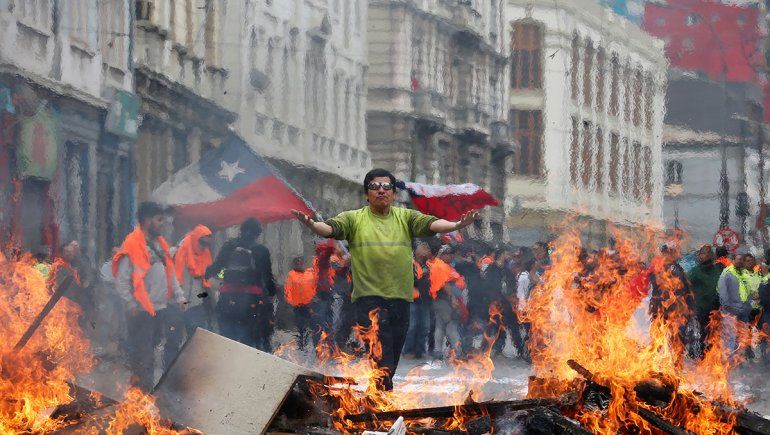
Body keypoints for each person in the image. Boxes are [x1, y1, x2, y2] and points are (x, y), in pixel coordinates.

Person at [292, 168, 480, 390]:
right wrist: (313, 225)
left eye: (386, 187)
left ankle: (379, 396)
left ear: (393, 193)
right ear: (366, 193)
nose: (381, 191)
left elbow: (432, 224)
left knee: (392, 358)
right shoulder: (354, 219)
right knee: (382, 357)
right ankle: (382, 397)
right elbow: (329, 228)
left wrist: (456, 225)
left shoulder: (405, 217)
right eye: (374, 187)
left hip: (401, 299)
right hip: (369, 301)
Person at [113, 202, 188, 391]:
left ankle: (140, 392)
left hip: (159, 308)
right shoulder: (132, 244)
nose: (163, 223)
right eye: (159, 219)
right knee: (143, 355)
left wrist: (179, 297)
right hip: (141, 311)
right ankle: (141, 396)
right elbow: (121, 280)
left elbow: (169, 273)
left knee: (151, 351)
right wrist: (131, 304)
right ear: (147, 221)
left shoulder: (160, 244)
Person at [206, 218, 277, 351]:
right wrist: (272, 293)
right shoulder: (261, 250)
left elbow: (216, 268)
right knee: (249, 338)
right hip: (252, 300)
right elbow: (267, 276)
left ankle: (227, 363)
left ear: (241, 230)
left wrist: (204, 274)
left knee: (227, 336)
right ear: (258, 234)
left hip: (228, 297)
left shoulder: (229, 246)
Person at [173, 225, 214, 336]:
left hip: (196, 305)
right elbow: (171, 277)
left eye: (207, 244)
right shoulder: (178, 252)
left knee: (198, 339)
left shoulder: (206, 255)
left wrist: (204, 297)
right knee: (174, 341)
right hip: (177, 303)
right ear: (196, 238)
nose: (204, 247)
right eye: (202, 243)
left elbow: (207, 280)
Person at [429, 245, 467, 359]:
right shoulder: (440, 266)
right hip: (444, 299)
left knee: (440, 325)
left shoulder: (443, 265)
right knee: (451, 324)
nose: (451, 256)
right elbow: (445, 284)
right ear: (443, 254)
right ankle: (457, 351)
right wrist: (453, 298)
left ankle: (437, 351)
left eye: (452, 254)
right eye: (449, 254)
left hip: (443, 299)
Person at [686, 244, 724, 357]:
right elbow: (685, 286)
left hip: (715, 308)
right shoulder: (695, 271)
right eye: (702, 253)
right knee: (702, 332)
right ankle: (702, 354)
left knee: (714, 332)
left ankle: (710, 354)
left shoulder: (718, 269)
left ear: (712, 255)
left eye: (707, 253)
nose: (704, 255)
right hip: (700, 308)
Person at [717, 253, 752, 359]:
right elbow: (722, 292)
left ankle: (738, 359)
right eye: (739, 259)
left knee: (742, 336)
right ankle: (729, 361)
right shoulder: (727, 273)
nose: (741, 261)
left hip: (743, 311)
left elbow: (747, 291)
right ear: (733, 260)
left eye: (742, 259)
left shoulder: (744, 273)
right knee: (730, 337)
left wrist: (748, 306)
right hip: (730, 311)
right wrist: (727, 307)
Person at [403, 242, 433, 359]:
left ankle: (419, 351)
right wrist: (421, 276)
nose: (427, 250)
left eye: (427, 248)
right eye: (424, 248)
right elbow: (408, 280)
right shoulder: (410, 264)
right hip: (412, 300)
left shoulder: (428, 265)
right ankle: (408, 351)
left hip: (425, 300)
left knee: (425, 326)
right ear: (416, 251)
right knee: (412, 326)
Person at [284, 256, 317, 351]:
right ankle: (302, 344)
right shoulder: (291, 275)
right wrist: (291, 301)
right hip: (298, 306)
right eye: (297, 263)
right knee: (301, 325)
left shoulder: (310, 273)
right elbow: (287, 289)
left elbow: (316, 285)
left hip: (310, 304)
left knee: (314, 324)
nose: (299, 265)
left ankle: (315, 344)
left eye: (301, 263)